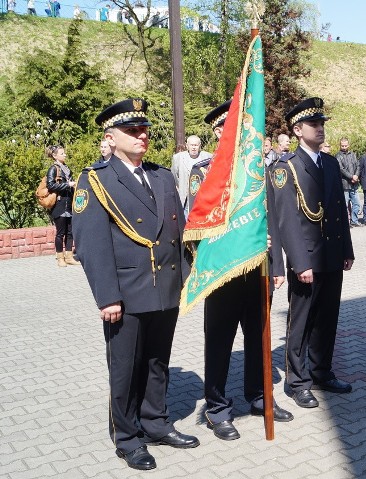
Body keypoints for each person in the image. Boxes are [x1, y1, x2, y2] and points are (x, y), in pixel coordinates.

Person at [73, 99, 199, 471]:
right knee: (125, 366)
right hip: (125, 294)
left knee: (158, 361)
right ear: (110, 138)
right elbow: (92, 245)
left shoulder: (160, 175)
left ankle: (155, 422)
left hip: (165, 288)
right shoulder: (95, 179)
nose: (142, 135)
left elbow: (176, 231)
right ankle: (127, 438)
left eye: (144, 129)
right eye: (132, 131)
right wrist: (107, 296)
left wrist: (185, 278)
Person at [191, 100, 293, 442]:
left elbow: (272, 221)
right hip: (223, 274)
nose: (235, 134)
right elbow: (198, 228)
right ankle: (217, 409)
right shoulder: (203, 173)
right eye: (228, 129)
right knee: (219, 343)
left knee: (259, 339)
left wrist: (276, 263)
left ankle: (260, 396)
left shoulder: (257, 169)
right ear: (218, 132)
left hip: (258, 271)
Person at [267, 97, 355, 409]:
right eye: (314, 125)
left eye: (321, 124)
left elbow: (339, 212)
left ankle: (321, 371)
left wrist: (347, 248)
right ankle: (297, 380)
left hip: (331, 254)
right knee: (301, 321)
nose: (320, 129)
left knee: (328, 317)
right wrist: (299, 262)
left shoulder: (330, 163)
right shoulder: (285, 168)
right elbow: (286, 220)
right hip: (307, 259)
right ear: (297, 130)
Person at [45, 145, 80, 267]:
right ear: (55, 156)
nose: (65, 155)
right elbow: (50, 185)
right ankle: (60, 257)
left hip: (69, 204)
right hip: (59, 205)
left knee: (70, 232)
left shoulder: (66, 168)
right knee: (60, 233)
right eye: (62, 153)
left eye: (64, 153)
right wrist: (67, 184)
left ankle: (69, 256)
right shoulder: (53, 169)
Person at [171, 135, 211, 213]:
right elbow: (174, 176)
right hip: (185, 198)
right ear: (187, 146)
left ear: (200, 146)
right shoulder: (178, 158)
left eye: (196, 145)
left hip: (202, 198)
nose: (193, 148)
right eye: (191, 145)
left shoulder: (208, 157)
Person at [336, 137, 361, 228]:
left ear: (348, 145)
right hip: (345, 184)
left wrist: (356, 176)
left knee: (357, 204)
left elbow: (358, 165)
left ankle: (354, 220)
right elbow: (341, 169)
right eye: (342, 145)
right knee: (345, 205)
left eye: (345, 145)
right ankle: (345, 222)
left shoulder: (353, 154)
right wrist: (351, 176)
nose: (344, 147)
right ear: (340, 145)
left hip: (354, 184)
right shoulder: (338, 156)